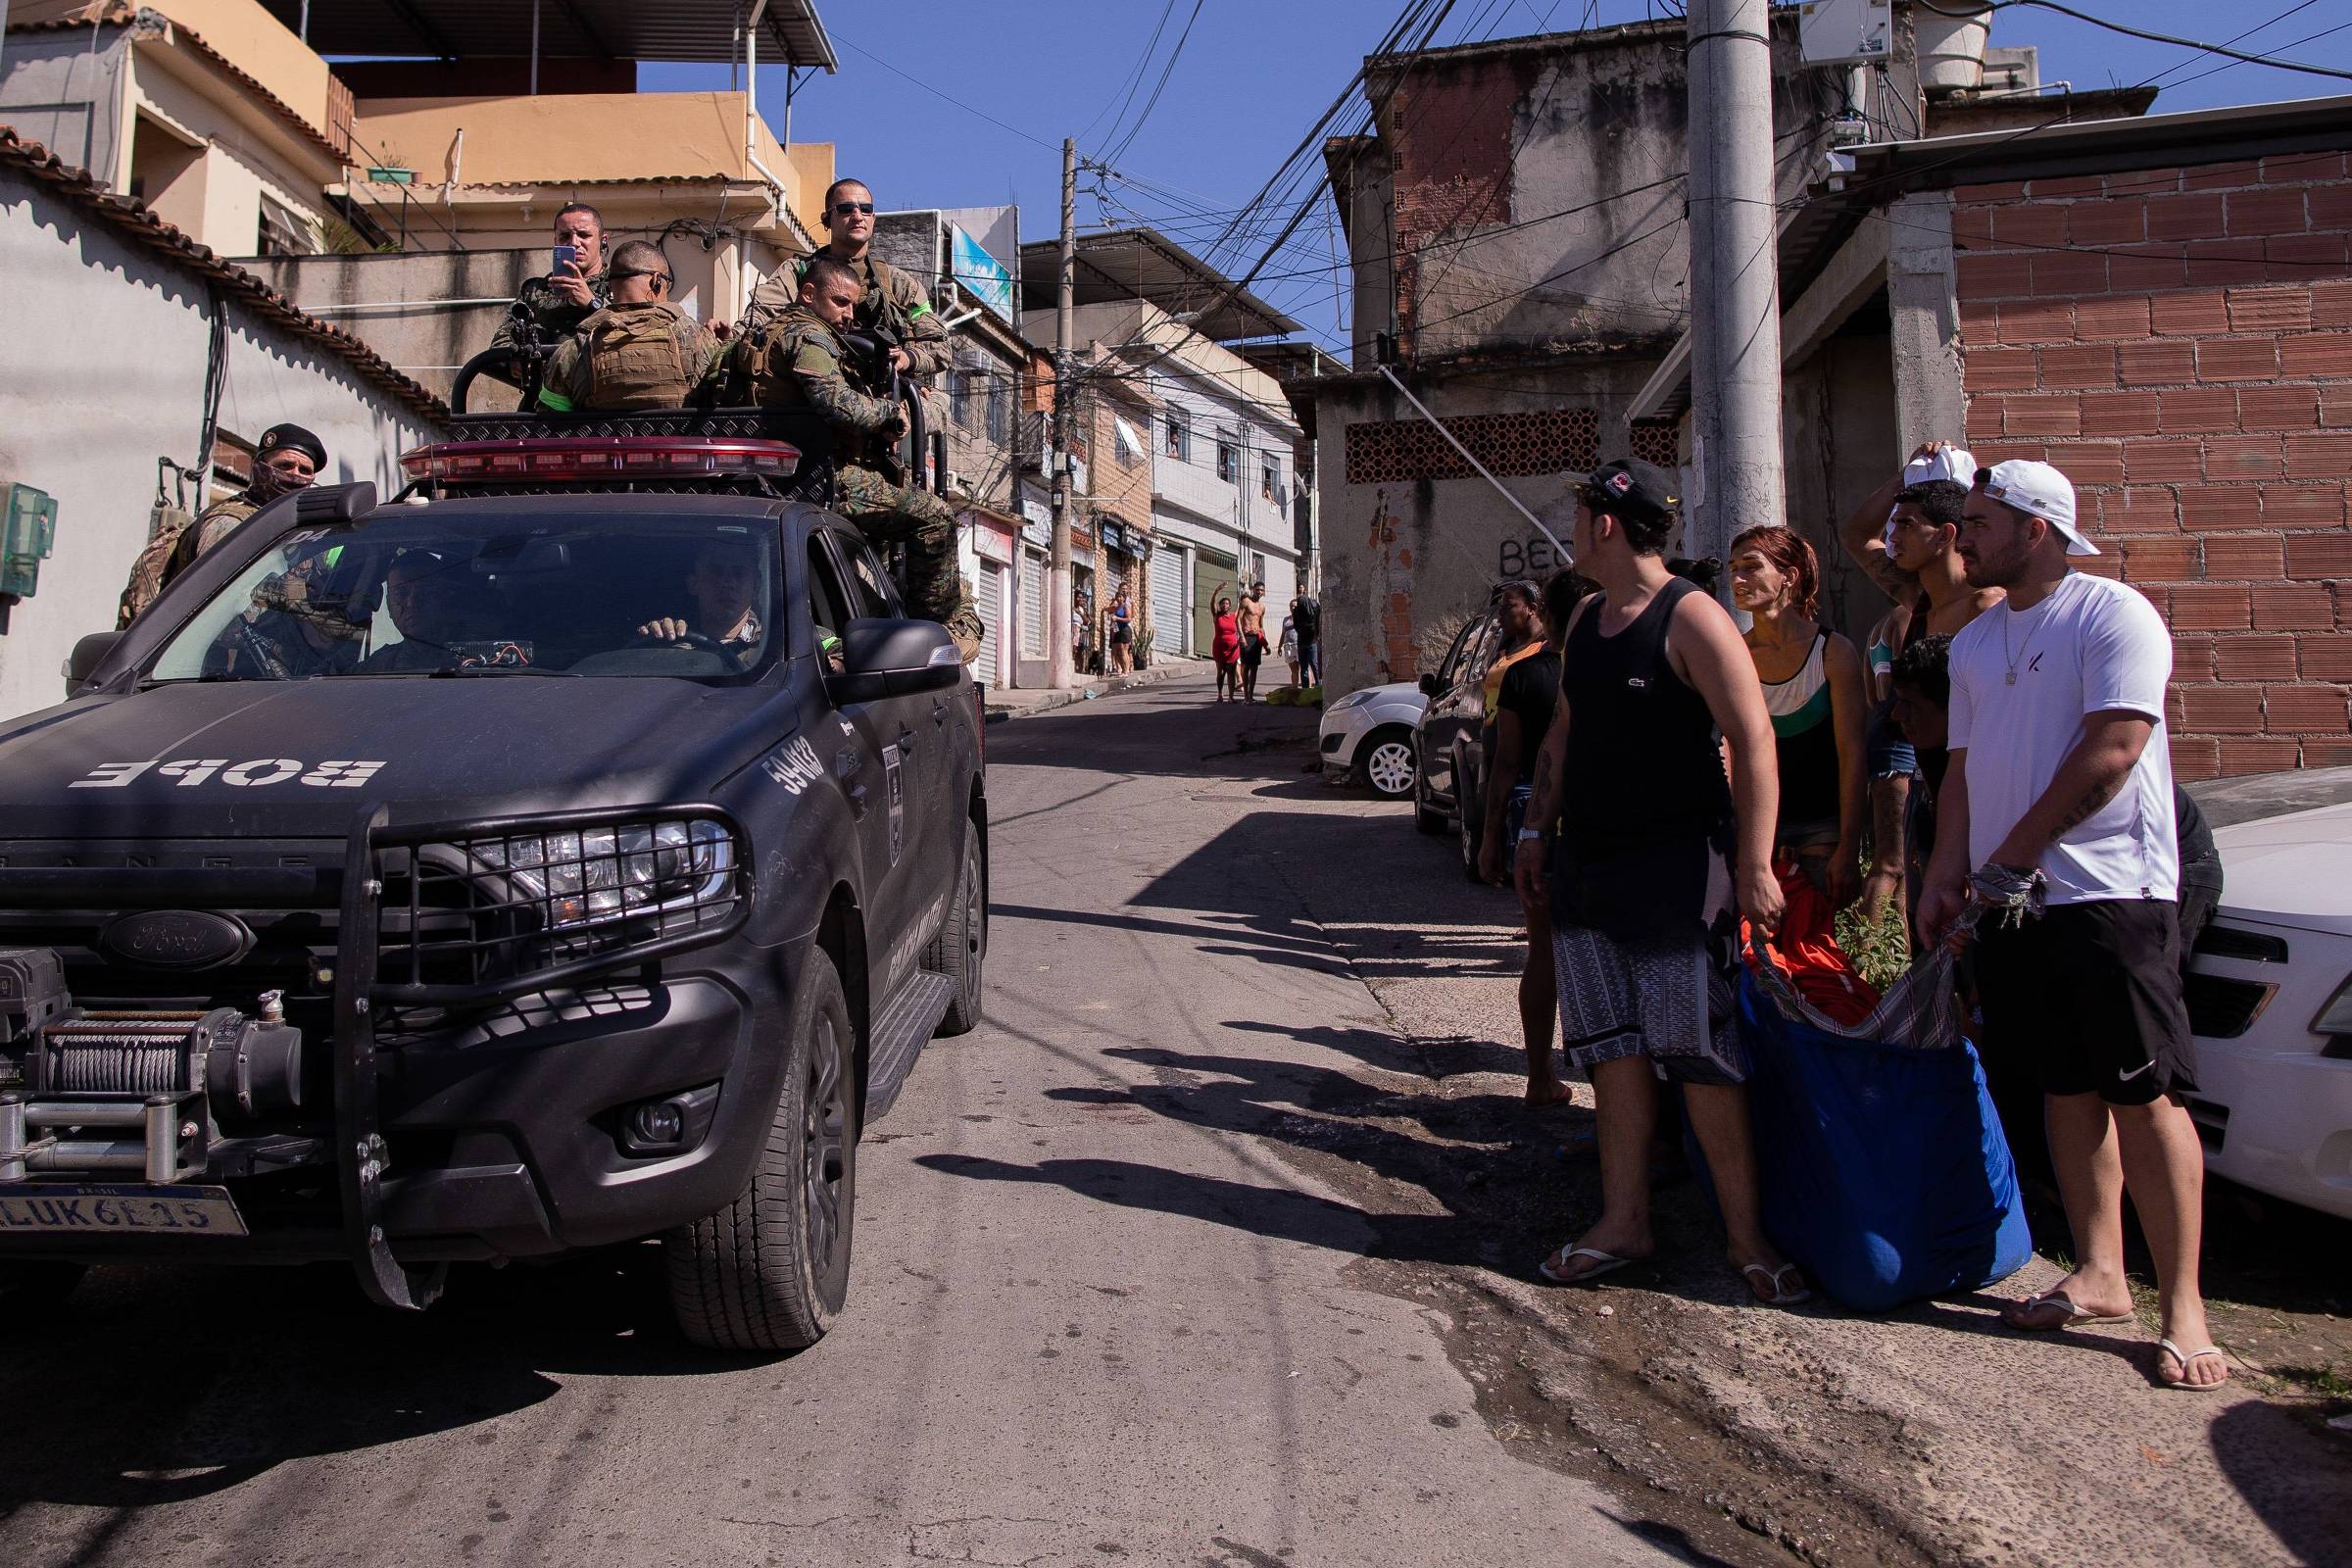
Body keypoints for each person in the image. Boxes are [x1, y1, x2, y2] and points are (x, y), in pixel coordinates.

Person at [1918, 459, 2224, 1391]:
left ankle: (2185, 1308)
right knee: (2062, 1083)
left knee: (2143, 1091)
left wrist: (2014, 855)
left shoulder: (2112, 613)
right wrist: (1944, 874)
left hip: (2111, 894)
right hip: (2011, 900)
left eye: (1977, 521)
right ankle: (2099, 1273)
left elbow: (2115, 751)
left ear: (2036, 528)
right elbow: (1962, 775)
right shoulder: (1973, 644)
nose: (1959, 535)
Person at [1510, 459, 1802, 1304]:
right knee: (1612, 1052)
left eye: (1578, 514)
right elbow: (1565, 729)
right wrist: (1537, 828)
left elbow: (1754, 742)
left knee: (1698, 1053)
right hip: (1588, 870)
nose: (1569, 529)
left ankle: (1749, 1242)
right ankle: (1624, 1222)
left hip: (1677, 875)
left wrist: (1752, 863)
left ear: (1606, 523)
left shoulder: (1695, 617)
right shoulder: (1591, 618)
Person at [739, 256, 982, 662]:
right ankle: (935, 629)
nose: (849, 315)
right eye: (839, 302)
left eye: (853, 305)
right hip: (819, 477)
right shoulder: (806, 333)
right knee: (934, 516)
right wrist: (889, 414)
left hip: (779, 477)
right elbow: (833, 400)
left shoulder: (771, 334)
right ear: (808, 294)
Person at [1840, 443, 2003, 918]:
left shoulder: (1987, 606)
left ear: (1945, 535)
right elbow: (1855, 534)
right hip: (1929, 788)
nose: (1892, 536)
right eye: (1894, 524)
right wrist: (1906, 477)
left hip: (1978, 795)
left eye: (1907, 525)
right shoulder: (1917, 596)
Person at [1480, 567, 1590, 1107]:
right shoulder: (1610, 665)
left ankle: (1540, 1075)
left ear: (1544, 612)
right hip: (1599, 820)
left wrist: (1490, 836)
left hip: (1537, 814)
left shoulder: (1523, 675)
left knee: (1542, 948)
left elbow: (1506, 762)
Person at [1729, 526, 1867, 907]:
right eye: (1734, 568)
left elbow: (1852, 756)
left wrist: (1849, 848)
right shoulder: (1735, 656)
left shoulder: (1833, 653)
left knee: (1820, 951)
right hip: (1760, 834)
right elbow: (1733, 754)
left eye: (1751, 567)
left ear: (1789, 576)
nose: (1738, 579)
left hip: (1823, 831)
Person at [743, 178, 948, 382]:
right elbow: (760, 316)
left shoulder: (899, 284)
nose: (857, 216)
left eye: (865, 209)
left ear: (873, 218)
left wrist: (907, 358)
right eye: (846, 208)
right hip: (810, 378)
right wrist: (730, 337)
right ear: (827, 219)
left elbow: (938, 345)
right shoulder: (798, 272)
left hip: (882, 387)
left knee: (932, 405)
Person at [120, 422, 324, 626]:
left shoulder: (298, 531)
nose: (295, 475)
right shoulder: (230, 524)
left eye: (304, 470)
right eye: (284, 465)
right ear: (260, 468)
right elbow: (224, 608)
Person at [537, 241, 722, 414]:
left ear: (610, 283)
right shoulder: (695, 336)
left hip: (605, 447)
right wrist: (727, 344)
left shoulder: (577, 346)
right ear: (656, 280)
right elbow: (721, 399)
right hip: (673, 447)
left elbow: (549, 419)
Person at [201, 546, 369, 679]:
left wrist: (300, 606)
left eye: (305, 566)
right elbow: (225, 631)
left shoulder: (334, 598)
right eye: (299, 565)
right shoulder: (275, 575)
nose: (298, 569)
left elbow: (328, 639)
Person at [491, 203, 609, 368]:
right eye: (565, 236)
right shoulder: (535, 290)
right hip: (543, 388)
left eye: (584, 235)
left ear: (603, 241)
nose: (574, 243)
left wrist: (593, 303)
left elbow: (634, 331)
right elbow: (501, 340)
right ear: (555, 242)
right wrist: (515, 358)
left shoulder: (617, 284)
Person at [636, 538, 766, 662]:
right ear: (693, 584)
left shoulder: (776, 647)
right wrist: (655, 638)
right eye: (716, 571)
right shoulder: (671, 640)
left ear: (756, 586)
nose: (728, 583)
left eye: (739, 573)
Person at [359, 549, 481, 671]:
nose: (412, 603)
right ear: (388, 604)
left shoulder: (484, 659)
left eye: (424, 592)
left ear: (445, 597)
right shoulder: (380, 665)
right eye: (401, 593)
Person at [1236, 583, 1269, 703]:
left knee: (1254, 668)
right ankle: (1245, 697)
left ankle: (1250, 695)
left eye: (1261, 590)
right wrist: (1242, 637)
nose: (1259, 592)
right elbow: (1238, 619)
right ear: (1253, 590)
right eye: (1257, 590)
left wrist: (1265, 643)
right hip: (1247, 636)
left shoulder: (1262, 607)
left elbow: (1261, 626)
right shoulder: (1246, 601)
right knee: (1246, 666)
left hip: (1256, 638)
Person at [1210, 594, 1242, 702]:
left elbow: (1240, 609)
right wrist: (1216, 593)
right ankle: (1220, 694)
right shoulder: (1217, 616)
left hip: (1233, 648)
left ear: (1230, 606)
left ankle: (1231, 696)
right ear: (1220, 605)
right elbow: (1212, 604)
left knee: (1231, 672)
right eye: (1223, 603)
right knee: (1221, 672)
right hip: (1219, 648)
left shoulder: (1234, 616)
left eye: (1227, 603)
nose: (1225, 605)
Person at [1290, 589, 1323, 685]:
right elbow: (1296, 626)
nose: (1301, 605)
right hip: (1301, 642)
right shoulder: (1297, 612)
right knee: (1303, 667)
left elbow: (1317, 624)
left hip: (1312, 642)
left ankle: (1318, 685)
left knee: (1314, 664)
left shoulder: (1314, 610)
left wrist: (1316, 635)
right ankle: (1305, 688)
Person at [1107, 586, 1134, 674]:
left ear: (1123, 598)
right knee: (1115, 650)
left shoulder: (1125, 606)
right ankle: (1122, 668)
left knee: (1124, 650)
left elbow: (1129, 619)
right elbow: (1108, 608)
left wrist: (1117, 618)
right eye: (1117, 597)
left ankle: (1126, 670)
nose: (1119, 598)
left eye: (1120, 597)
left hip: (1125, 630)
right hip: (1117, 630)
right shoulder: (1117, 607)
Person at [1279, 610, 1299, 687]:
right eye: (1291, 606)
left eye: (1295, 606)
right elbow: (1283, 633)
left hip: (1299, 645)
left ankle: (1303, 688)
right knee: (1294, 670)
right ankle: (1295, 688)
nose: (1293, 608)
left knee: (1301, 669)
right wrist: (1279, 646)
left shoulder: (1302, 618)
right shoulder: (1286, 619)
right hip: (1288, 646)